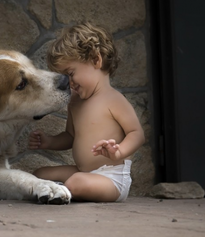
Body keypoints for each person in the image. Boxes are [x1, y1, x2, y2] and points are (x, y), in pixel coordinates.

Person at [29, 22, 145, 202]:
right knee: (38, 175)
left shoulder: (114, 99)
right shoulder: (75, 102)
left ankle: (61, 193)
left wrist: (119, 152)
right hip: (84, 172)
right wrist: (49, 141)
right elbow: (70, 136)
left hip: (111, 179)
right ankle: (58, 192)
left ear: (96, 60)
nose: (69, 82)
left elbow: (136, 134)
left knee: (76, 182)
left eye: (71, 73)